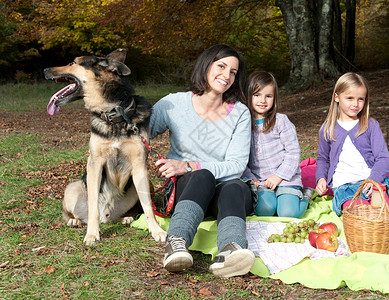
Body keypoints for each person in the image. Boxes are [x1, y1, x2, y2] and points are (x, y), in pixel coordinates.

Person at [149, 44, 255, 277]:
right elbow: (139, 133)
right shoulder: (173, 104)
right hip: (187, 189)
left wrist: (189, 164)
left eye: (233, 72)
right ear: (206, 65)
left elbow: (236, 165)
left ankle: (231, 250)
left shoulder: (240, 113)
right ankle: (175, 243)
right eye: (221, 66)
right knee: (202, 176)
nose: (226, 76)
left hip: (223, 193)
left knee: (236, 185)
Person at [315, 72, 389, 216]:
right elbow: (323, 158)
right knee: (358, 215)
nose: (355, 104)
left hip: (372, 182)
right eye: (349, 98)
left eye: (360, 99)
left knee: (382, 213)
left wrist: (373, 180)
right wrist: (321, 178)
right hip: (345, 186)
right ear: (337, 97)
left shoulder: (370, 125)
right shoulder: (327, 128)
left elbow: (383, 157)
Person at [242, 71, 312, 218]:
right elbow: (240, 157)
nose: (263, 100)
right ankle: (271, 199)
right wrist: (250, 178)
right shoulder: (243, 125)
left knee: (288, 213)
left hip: (286, 178)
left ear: (274, 98)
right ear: (249, 96)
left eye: (268, 96)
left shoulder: (281, 121)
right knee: (265, 210)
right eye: (257, 95)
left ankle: (305, 196)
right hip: (261, 181)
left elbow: (293, 153)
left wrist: (279, 176)